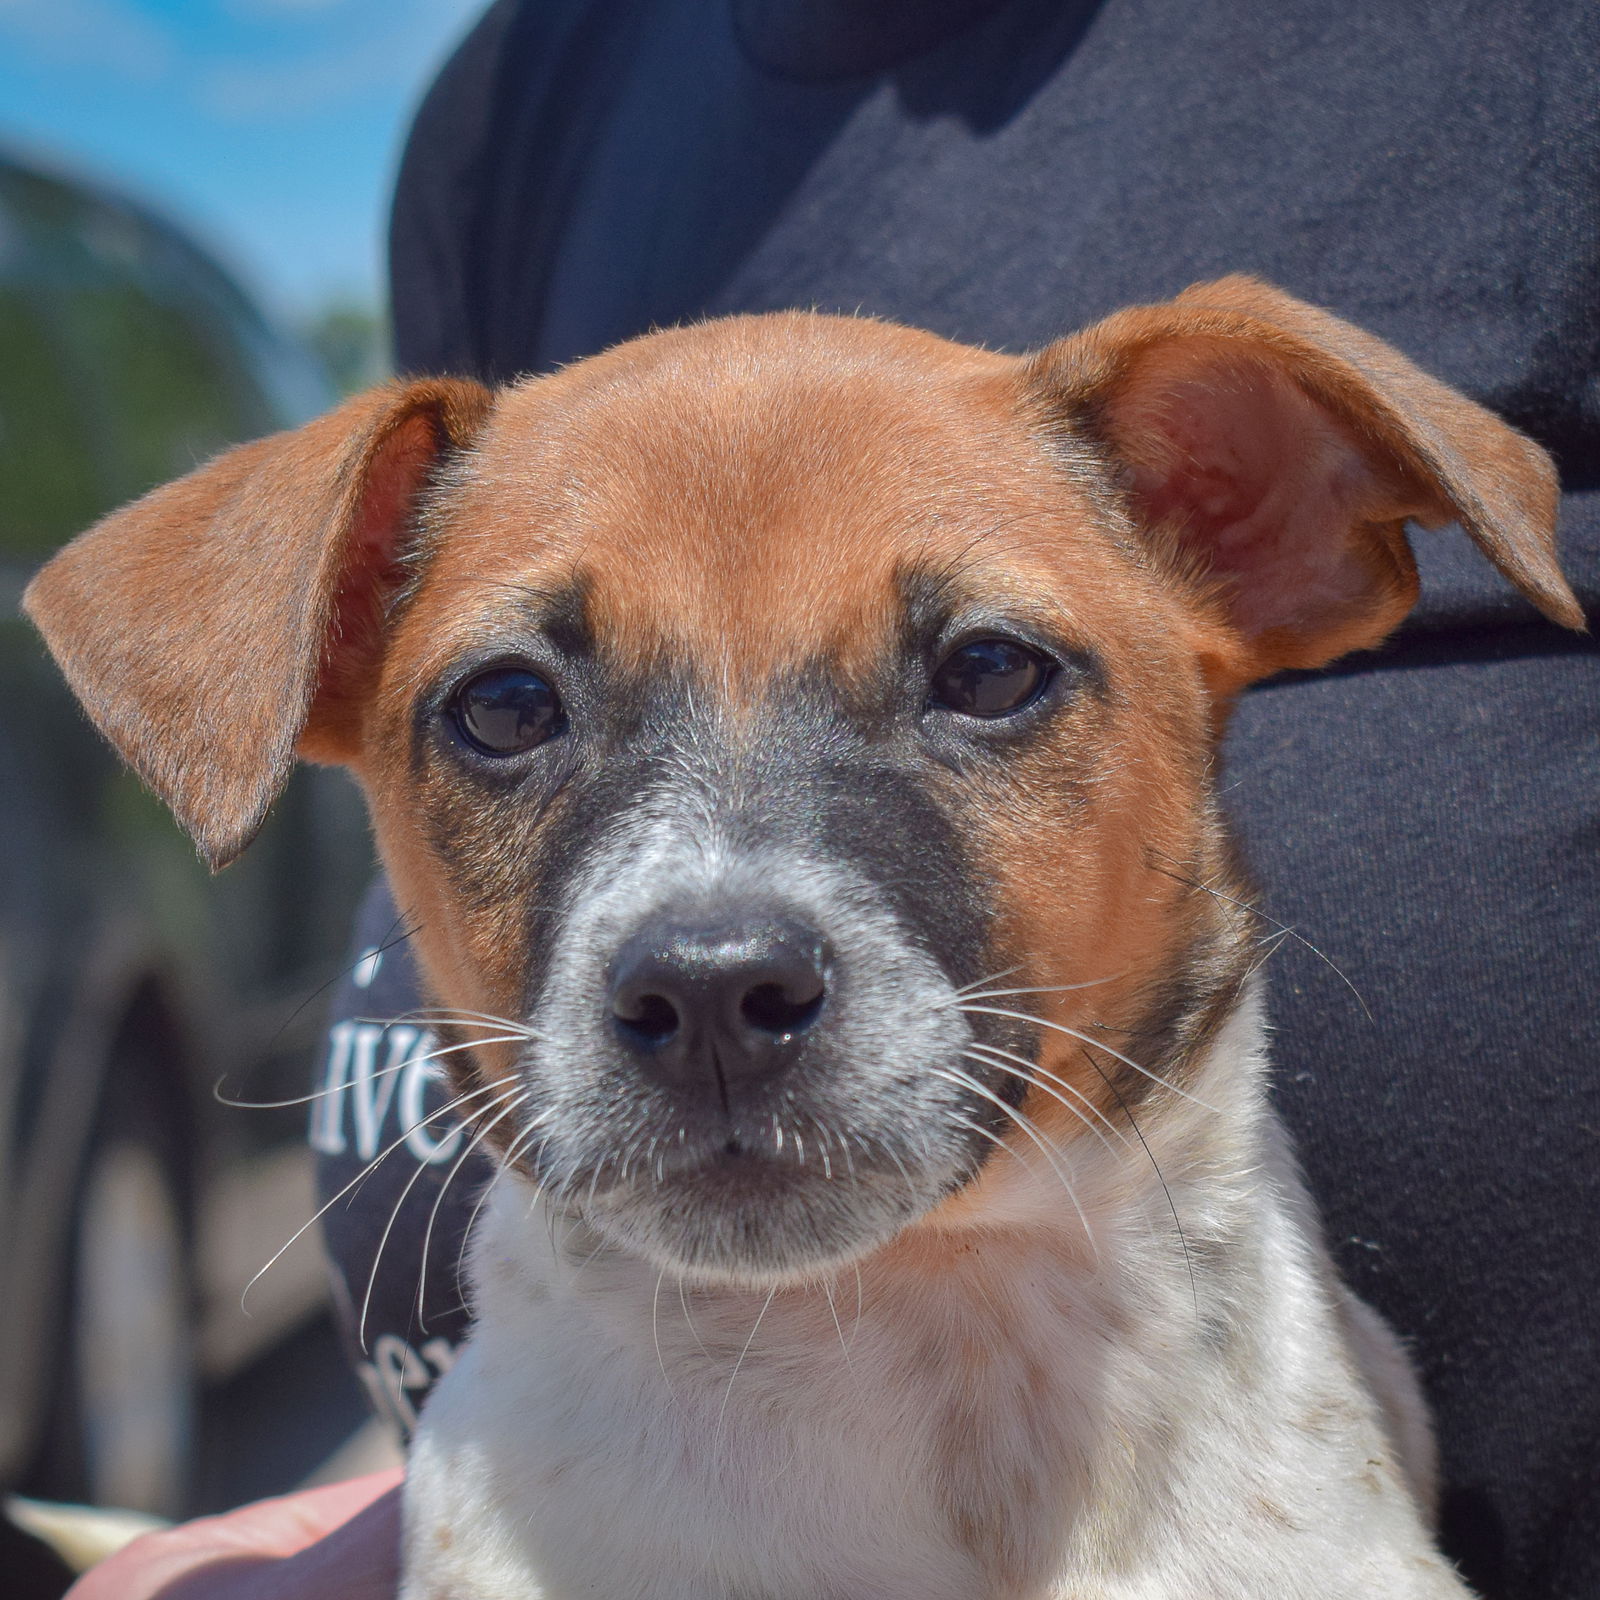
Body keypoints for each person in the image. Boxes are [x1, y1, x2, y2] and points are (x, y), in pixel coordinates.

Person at [88, 1, 1597, 1595]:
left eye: (986, 678)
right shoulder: (523, 105)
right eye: (513, 711)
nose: (713, 947)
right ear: (334, 655)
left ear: (1250, 526)